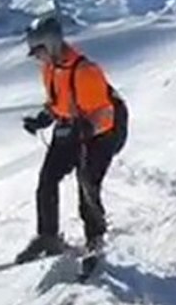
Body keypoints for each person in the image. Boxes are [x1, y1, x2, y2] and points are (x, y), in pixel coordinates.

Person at [15, 14, 127, 264]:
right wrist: (42, 119)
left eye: (38, 50)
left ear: (52, 44)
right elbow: (59, 102)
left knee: (87, 183)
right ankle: (48, 236)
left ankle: (95, 240)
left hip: (103, 134)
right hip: (73, 127)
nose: (35, 56)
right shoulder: (50, 69)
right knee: (47, 179)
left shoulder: (86, 71)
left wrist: (86, 129)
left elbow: (105, 114)